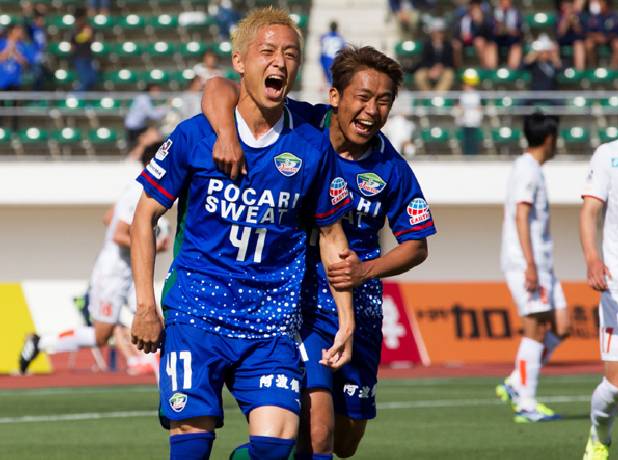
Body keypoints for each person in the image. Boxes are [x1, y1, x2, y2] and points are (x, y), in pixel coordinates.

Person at [129, 8, 355, 460]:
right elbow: (143, 217)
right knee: (191, 446)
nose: (280, 63)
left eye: (291, 54)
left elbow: (331, 236)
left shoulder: (311, 145)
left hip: (271, 324)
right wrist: (145, 306)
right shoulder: (195, 136)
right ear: (240, 61)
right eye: (267, 51)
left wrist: (346, 318)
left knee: (276, 445)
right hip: (197, 314)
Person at [201, 45, 436, 458]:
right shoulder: (302, 124)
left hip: (358, 307)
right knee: (319, 431)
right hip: (301, 300)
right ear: (335, 97)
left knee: (346, 440)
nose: (371, 111)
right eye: (362, 98)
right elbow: (218, 87)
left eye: (383, 102)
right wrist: (224, 132)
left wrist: (366, 270)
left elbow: (416, 245)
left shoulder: (391, 168)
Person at [18, 143, 171, 375]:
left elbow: (108, 218)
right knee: (102, 335)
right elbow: (119, 234)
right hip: (113, 273)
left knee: (154, 317)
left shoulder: (137, 189)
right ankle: (41, 342)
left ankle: (163, 371)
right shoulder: (139, 192)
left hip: (128, 270)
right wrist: (151, 244)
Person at [496, 113, 569, 423]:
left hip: (542, 264)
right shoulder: (527, 169)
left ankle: (516, 382)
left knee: (561, 326)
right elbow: (521, 216)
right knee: (536, 328)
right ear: (550, 139)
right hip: (528, 262)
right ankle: (526, 402)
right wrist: (529, 264)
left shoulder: (531, 169)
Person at [580, 138, 618, 459]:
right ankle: (599, 436)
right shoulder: (610, 155)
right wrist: (593, 258)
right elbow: (590, 211)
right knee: (617, 384)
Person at [0, 24, 35, 130]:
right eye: (18, 31)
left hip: (15, 80)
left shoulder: (23, 46)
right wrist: (9, 48)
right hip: (2, 80)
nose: (20, 33)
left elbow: (26, 63)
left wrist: (16, 53)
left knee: (15, 107)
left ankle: (15, 129)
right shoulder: (2, 43)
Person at [414, 18, 455, 92]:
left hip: (444, 69)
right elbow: (424, 60)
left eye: (441, 32)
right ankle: (427, 97)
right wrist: (431, 69)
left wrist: (441, 68)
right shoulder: (426, 44)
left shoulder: (448, 45)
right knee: (419, 76)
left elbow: (450, 62)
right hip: (429, 68)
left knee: (449, 75)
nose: (439, 34)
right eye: (437, 32)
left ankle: (438, 96)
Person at [452, 0, 495, 69]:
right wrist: (460, 37)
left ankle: (485, 68)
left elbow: (488, 34)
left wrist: (479, 22)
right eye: (472, 5)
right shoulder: (462, 17)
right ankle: (458, 69)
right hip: (464, 41)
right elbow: (456, 33)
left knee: (479, 42)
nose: (474, 7)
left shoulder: (485, 18)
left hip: (479, 41)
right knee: (456, 45)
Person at [522, 34, 562, 106]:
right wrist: (533, 53)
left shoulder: (552, 63)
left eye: (546, 51)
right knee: (522, 103)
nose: (544, 53)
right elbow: (522, 67)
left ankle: (553, 117)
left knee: (560, 103)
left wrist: (554, 54)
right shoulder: (534, 64)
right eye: (542, 51)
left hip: (551, 93)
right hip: (535, 93)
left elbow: (561, 70)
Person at [583, 0, 618, 68]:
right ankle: (593, 68)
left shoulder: (615, 16)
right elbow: (587, 32)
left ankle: (613, 70)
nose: (598, 5)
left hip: (611, 40)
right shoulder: (594, 17)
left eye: (600, 3)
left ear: (606, 4)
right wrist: (597, 37)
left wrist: (607, 37)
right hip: (597, 40)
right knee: (588, 44)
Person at [456, 69, 482, 155]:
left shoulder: (477, 95)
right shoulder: (461, 95)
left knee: (473, 141)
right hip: (464, 122)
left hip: (474, 122)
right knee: (466, 141)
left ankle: (473, 156)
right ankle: (466, 156)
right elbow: (459, 108)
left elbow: (479, 108)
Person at [491, 0, 523, 69]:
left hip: (512, 40)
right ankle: (492, 71)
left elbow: (519, 30)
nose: (505, 4)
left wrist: (509, 30)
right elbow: (492, 29)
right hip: (497, 39)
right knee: (490, 46)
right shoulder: (495, 12)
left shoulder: (516, 13)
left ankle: (512, 70)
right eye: (503, 2)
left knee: (516, 47)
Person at [71, 8, 97, 91]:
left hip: (89, 57)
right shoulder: (74, 30)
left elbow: (91, 38)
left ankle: (84, 100)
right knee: (86, 80)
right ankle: (77, 97)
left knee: (92, 79)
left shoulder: (88, 28)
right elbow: (72, 45)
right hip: (79, 58)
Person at [556, 0, 586, 70]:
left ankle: (579, 70)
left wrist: (574, 22)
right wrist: (565, 20)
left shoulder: (578, 15)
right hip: (562, 40)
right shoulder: (558, 16)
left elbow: (579, 32)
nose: (567, 8)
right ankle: (558, 69)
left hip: (574, 39)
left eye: (569, 6)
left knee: (578, 44)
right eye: (565, 6)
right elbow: (560, 33)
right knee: (554, 45)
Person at [319, 21, 346, 85]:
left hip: (326, 58)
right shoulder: (340, 38)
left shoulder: (325, 37)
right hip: (335, 58)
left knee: (325, 74)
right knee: (333, 77)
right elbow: (343, 48)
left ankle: (323, 86)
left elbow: (322, 47)